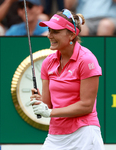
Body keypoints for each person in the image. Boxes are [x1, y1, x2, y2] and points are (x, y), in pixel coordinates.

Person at [27, 9, 105, 150]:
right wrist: (40, 102)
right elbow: (47, 104)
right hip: (56, 135)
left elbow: (86, 105)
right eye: (49, 31)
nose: (49, 36)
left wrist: (50, 112)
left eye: (55, 32)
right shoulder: (48, 62)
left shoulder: (87, 60)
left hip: (84, 132)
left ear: (72, 34)